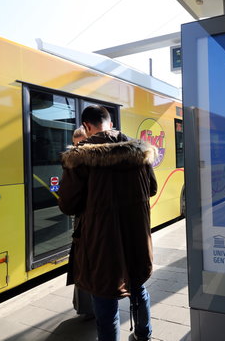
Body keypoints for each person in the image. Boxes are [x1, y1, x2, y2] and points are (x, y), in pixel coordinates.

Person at [58, 105, 158, 341]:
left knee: (105, 299)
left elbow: (68, 204)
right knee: (138, 286)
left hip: (101, 241)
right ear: (110, 124)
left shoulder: (80, 157)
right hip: (135, 236)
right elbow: (151, 189)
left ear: (87, 127)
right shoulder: (139, 151)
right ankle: (144, 335)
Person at [68, 126, 95, 319]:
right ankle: (86, 308)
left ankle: (91, 308)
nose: (79, 149)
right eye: (76, 145)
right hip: (82, 225)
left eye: (82, 144)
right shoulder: (75, 164)